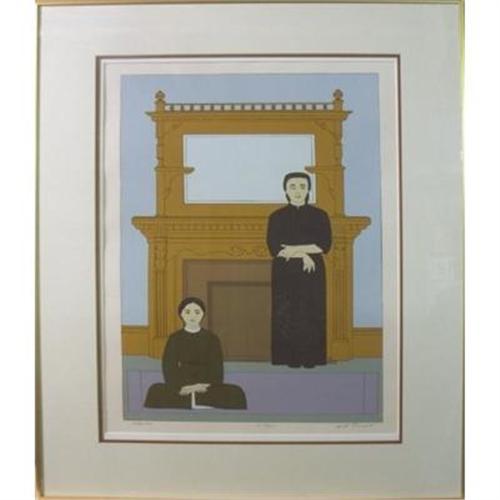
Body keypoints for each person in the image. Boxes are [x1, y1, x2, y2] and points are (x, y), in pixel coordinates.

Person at [266, 172, 332, 368]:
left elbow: (324, 245)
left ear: (309, 189)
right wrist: (304, 254)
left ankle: (312, 358)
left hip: (312, 272)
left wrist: (296, 251)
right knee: (286, 313)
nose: (297, 191)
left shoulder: (320, 216)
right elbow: (275, 248)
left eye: (302, 186)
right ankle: (288, 358)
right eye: (293, 186)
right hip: (285, 271)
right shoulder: (276, 217)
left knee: (312, 312)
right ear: (285, 190)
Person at [144, 297, 247, 409]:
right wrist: (181, 387)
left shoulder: (212, 338)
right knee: (154, 390)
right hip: (182, 385)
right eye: (187, 312)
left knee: (236, 393)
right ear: (181, 314)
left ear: (203, 314)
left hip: (206, 386)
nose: (192, 316)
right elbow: (169, 366)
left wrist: (202, 386)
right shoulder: (175, 338)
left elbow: (217, 368)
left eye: (197, 312)